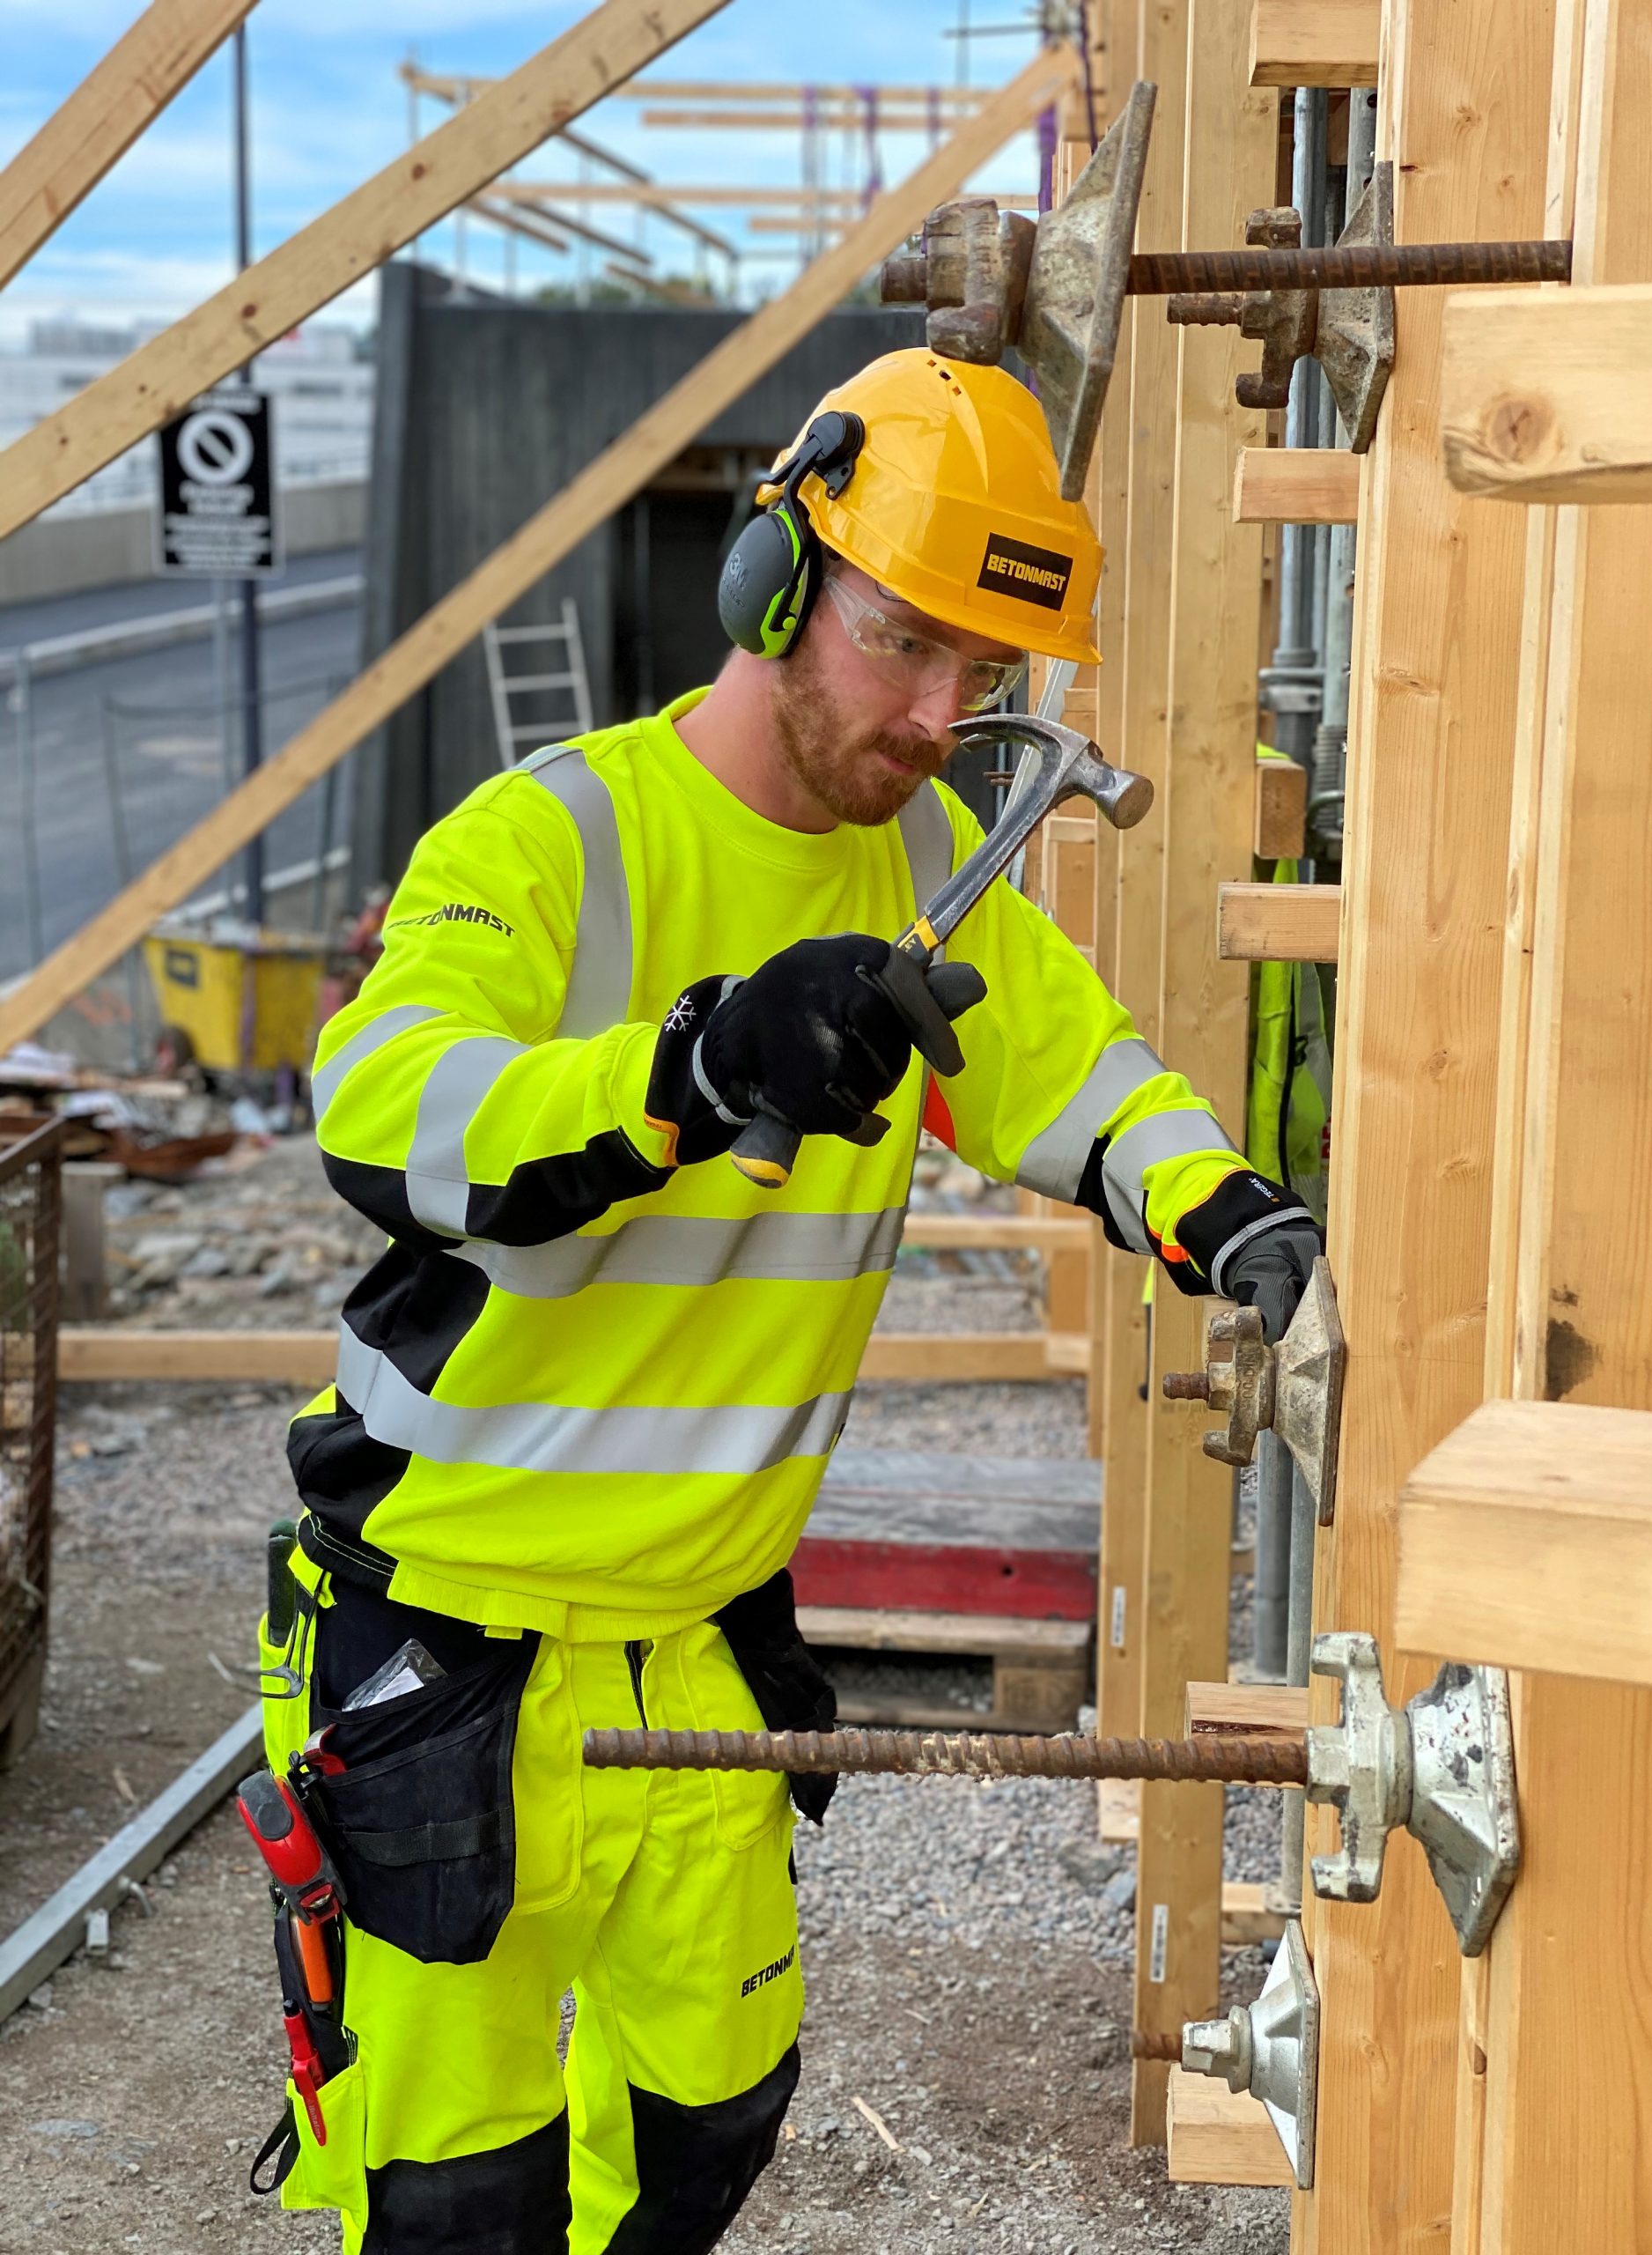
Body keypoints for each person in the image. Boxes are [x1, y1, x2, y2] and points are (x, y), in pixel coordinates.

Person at [254, 348, 1322, 2252]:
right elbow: (385, 1102)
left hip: (700, 1645)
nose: (935, 717)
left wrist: (1224, 1209)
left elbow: (1077, 1079)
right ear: (772, 580)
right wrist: (686, 1066)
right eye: (900, 641)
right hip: (445, 1652)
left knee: (703, 2142)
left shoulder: (935, 871)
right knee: (451, 2200)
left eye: (980, 678)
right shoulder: (551, 837)